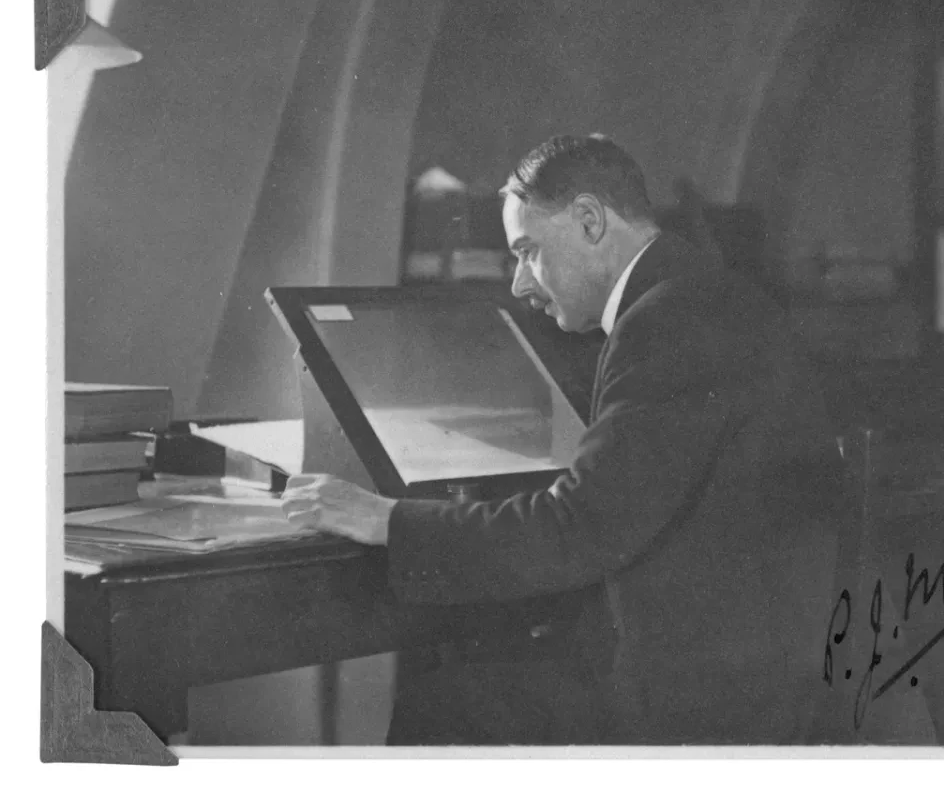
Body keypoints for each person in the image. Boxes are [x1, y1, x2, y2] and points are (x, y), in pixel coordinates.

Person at [282, 134, 845, 744]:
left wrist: (388, 520)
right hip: (754, 664)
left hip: (704, 700)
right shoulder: (700, 294)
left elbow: (580, 526)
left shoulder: (665, 321)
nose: (522, 285)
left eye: (528, 252)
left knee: (442, 705)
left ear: (589, 221)